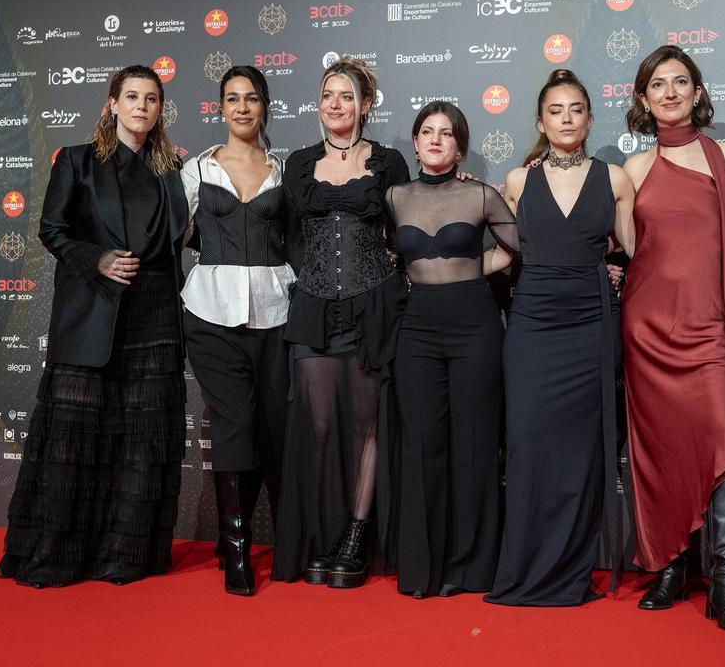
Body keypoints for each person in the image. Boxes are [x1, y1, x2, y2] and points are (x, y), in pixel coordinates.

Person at [0, 65, 189, 587]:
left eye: (152, 99)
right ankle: (56, 556)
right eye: (132, 96)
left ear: (159, 109)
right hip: (94, 311)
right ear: (112, 103)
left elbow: (185, 237)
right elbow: (51, 229)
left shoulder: (171, 170)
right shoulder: (77, 162)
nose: (141, 107)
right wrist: (98, 259)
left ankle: (125, 555)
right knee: (74, 438)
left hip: (155, 316)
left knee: (138, 444)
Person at [485, 68, 635, 607]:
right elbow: (505, 256)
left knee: (581, 454)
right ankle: (524, 571)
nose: (567, 118)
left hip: (592, 326)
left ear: (590, 118)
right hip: (532, 327)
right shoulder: (518, 181)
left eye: (576, 109)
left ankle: (568, 575)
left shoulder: (615, 179)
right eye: (556, 110)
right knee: (526, 448)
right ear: (540, 121)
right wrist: (436, 268)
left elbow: (639, 252)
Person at [620, 46, 725, 632]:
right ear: (643, 100)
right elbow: (624, 250)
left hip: (710, 328)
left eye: (680, 82)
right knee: (659, 450)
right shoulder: (632, 171)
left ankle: (724, 586)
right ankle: (671, 566)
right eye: (657, 85)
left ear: (698, 92)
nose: (669, 92)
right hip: (648, 329)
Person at [272, 57, 410, 589]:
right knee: (320, 425)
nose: (335, 104)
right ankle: (323, 533)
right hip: (313, 308)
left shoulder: (391, 162)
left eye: (346, 95)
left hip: (372, 304)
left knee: (366, 425)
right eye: (327, 94)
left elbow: (407, 225)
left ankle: (355, 536)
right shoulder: (299, 163)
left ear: (366, 104)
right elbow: (290, 235)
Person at [385, 101, 518, 599]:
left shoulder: (481, 195)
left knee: (476, 444)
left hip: (474, 323)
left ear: (459, 144)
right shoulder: (395, 196)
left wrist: (469, 271)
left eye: (446, 133)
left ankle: (473, 569)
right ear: (416, 143)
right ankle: (424, 568)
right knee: (422, 446)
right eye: (427, 131)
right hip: (417, 328)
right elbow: (389, 258)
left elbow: (516, 247)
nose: (436, 139)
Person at [181, 65, 294, 595]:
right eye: (232, 99)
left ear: (265, 105)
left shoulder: (286, 169)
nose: (242, 107)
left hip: (277, 312)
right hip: (209, 314)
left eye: (252, 98)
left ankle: (287, 542)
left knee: (271, 427)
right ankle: (237, 552)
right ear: (219, 108)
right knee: (233, 424)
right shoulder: (195, 170)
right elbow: (167, 233)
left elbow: (305, 236)